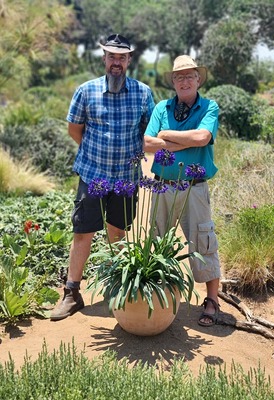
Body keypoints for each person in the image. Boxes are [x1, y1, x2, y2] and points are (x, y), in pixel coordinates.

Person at [50, 34, 155, 321]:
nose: (116, 62)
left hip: (125, 177)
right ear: (104, 58)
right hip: (93, 175)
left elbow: (148, 133)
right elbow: (75, 129)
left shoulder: (144, 94)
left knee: (117, 232)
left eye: (122, 57)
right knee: (83, 232)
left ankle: (116, 288)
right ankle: (72, 294)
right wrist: (95, 155)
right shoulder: (86, 91)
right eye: (111, 56)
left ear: (130, 60)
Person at [144, 55, 221, 326]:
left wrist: (166, 136)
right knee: (155, 239)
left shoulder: (209, 107)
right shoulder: (162, 108)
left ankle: (212, 299)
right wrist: (181, 143)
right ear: (173, 82)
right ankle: (157, 294)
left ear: (198, 80)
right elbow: (146, 142)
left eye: (190, 76)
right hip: (162, 185)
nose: (185, 80)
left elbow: (203, 137)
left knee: (203, 239)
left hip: (194, 187)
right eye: (179, 77)